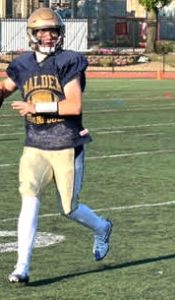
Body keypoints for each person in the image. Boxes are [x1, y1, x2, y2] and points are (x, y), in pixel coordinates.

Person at [0, 8, 113, 284]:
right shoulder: (23, 64)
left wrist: (35, 106)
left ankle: (102, 227)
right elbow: (5, 87)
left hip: (66, 143)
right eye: (42, 31)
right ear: (32, 34)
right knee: (29, 197)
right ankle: (22, 267)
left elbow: (74, 105)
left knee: (69, 208)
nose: (49, 36)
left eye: (53, 31)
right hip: (35, 144)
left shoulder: (68, 61)